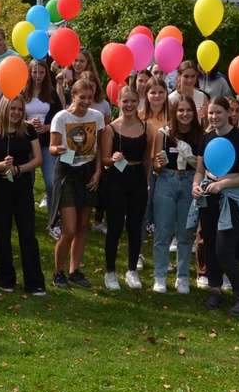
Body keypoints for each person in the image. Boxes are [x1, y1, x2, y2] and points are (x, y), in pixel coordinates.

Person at [192, 96, 239, 317]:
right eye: (211, 113)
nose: (214, 117)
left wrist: (224, 184)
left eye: (218, 112)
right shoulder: (206, 139)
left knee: (224, 250)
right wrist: (195, 185)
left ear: (229, 113)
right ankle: (215, 290)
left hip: (232, 199)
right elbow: (200, 170)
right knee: (209, 244)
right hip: (209, 198)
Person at [0, 94, 46, 294]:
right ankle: (6, 278)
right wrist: (2, 165)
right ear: (4, 109)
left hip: (23, 186)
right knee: (3, 232)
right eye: (13, 109)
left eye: (19, 109)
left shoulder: (27, 130)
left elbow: (38, 159)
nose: (16, 113)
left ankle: (34, 281)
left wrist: (19, 169)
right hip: (0, 187)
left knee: (27, 233)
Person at [48, 78, 104, 290]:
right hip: (66, 173)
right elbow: (52, 147)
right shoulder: (61, 117)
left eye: (90, 98)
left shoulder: (97, 117)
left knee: (83, 226)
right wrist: (58, 150)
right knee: (69, 230)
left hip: (88, 172)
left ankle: (74, 270)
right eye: (83, 97)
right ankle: (58, 272)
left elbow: (99, 148)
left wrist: (98, 172)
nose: (86, 102)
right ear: (74, 96)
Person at [99, 85, 152, 290]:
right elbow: (103, 158)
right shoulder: (111, 128)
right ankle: (110, 272)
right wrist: (112, 159)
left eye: (133, 101)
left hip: (138, 179)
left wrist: (146, 182)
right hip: (116, 181)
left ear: (138, 102)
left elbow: (147, 158)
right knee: (114, 227)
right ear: (118, 103)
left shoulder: (146, 127)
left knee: (135, 227)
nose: (129, 105)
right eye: (125, 101)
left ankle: (132, 270)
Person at [151, 94, 201, 293]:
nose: (185, 114)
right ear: (174, 112)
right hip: (166, 182)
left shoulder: (200, 136)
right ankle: (160, 275)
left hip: (190, 182)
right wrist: (158, 165)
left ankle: (182, 277)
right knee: (163, 232)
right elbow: (155, 165)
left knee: (186, 234)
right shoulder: (163, 134)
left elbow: (203, 165)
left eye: (189, 110)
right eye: (181, 110)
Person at [23, 58, 60, 210]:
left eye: (42, 72)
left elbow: (60, 116)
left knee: (51, 183)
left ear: (46, 74)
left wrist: (48, 127)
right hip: (26, 141)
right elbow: (13, 116)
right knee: (27, 182)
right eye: (35, 72)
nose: (38, 76)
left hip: (46, 141)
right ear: (29, 73)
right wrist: (27, 124)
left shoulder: (51, 93)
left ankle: (53, 220)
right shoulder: (22, 91)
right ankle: (27, 214)